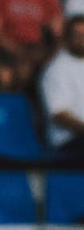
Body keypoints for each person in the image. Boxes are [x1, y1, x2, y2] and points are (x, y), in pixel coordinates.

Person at [41, 16, 84, 160]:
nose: (82, 39)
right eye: (77, 35)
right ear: (67, 37)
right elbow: (59, 115)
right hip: (67, 140)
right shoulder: (56, 69)